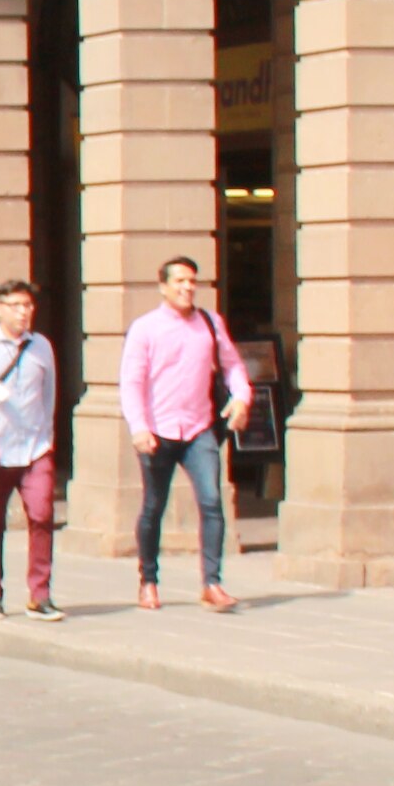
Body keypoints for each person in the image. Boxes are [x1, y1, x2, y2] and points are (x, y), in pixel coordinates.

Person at [119, 253, 252, 614]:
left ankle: (212, 582)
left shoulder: (209, 323)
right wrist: (139, 427)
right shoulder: (145, 328)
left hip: (199, 428)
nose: (187, 287)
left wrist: (241, 397)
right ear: (163, 286)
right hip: (157, 431)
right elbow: (131, 383)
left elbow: (233, 365)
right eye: (179, 281)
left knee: (211, 501)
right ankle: (149, 580)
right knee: (153, 506)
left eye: (192, 281)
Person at [0, 278, 61, 620]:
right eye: (16, 305)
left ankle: (40, 594)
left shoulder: (41, 347)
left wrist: (46, 437)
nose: (23, 312)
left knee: (42, 516)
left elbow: (48, 396)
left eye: (28, 306)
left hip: (34, 449)